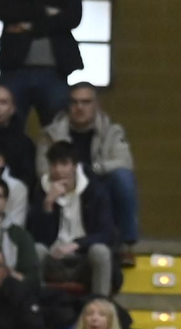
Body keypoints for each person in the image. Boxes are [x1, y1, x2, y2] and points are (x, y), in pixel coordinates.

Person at [37, 82, 138, 253]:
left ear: (97, 105)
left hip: (100, 186)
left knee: (123, 178)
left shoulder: (112, 131)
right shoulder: (51, 134)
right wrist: (68, 179)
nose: (79, 107)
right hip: (64, 187)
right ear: (67, 106)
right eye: (74, 102)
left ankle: (126, 245)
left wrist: (91, 170)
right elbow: (42, 170)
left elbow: (125, 162)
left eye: (86, 102)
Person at [0, 0, 84, 129]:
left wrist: (29, 26)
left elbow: (72, 18)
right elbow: (2, 11)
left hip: (54, 69)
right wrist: (46, 11)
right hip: (15, 67)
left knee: (57, 129)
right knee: (6, 127)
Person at [28, 142, 117, 297]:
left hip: (83, 259)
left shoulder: (94, 191)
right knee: (37, 250)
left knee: (100, 251)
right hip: (54, 259)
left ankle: (101, 304)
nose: (58, 170)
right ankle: (35, 306)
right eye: (54, 165)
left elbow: (107, 233)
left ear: (75, 166)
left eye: (64, 164)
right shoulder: (41, 191)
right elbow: (37, 237)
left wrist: (76, 245)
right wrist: (48, 205)